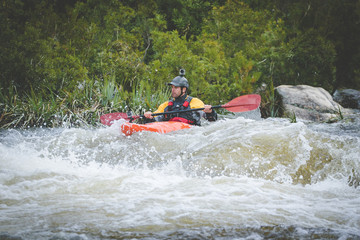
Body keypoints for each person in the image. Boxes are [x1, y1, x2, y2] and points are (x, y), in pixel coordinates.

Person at [144, 69, 217, 125]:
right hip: (171, 133)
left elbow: (212, 120)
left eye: (176, 87)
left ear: (184, 89)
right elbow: (154, 120)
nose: (173, 90)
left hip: (190, 133)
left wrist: (210, 112)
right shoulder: (166, 105)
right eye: (172, 87)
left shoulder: (194, 102)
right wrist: (149, 116)